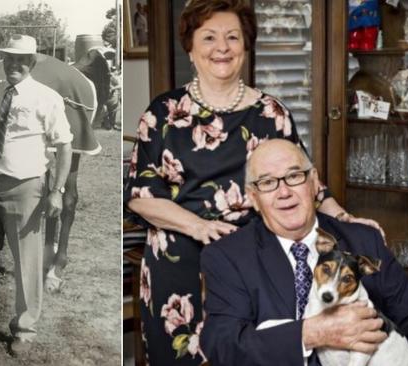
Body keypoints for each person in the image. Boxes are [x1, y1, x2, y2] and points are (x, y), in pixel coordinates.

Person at [123, 0, 381, 364]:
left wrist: (348, 221)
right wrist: (198, 226)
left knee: (254, 354)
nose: (222, 47)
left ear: (246, 46)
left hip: (253, 267)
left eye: (233, 37)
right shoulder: (162, 113)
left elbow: (306, 184)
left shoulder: (271, 114)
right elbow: (139, 196)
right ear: (191, 48)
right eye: (209, 37)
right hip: (177, 270)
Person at [200, 138, 408, 365]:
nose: (284, 192)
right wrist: (312, 333)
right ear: (253, 198)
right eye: (267, 183)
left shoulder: (363, 241)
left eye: (294, 176)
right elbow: (222, 344)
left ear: (314, 181)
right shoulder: (226, 256)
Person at [0, 35, 73, 356]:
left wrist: (57, 190)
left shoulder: (46, 98)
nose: (13, 65)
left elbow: (64, 145)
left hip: (24, 187)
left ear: (32, 63)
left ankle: (24, 329)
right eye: (8, 58)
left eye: (20, 60)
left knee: (27, 261)